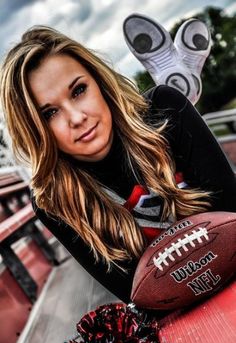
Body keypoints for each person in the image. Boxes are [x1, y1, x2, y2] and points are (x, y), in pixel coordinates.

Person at [1, 25, 236, 306]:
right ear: (34, 130)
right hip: (183, 316)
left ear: (99, 82)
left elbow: (232, 211)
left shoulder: (166, 109)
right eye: (50, 112)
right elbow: (139, 296)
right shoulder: (54, 203)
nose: (76, 117)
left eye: (78, 90)